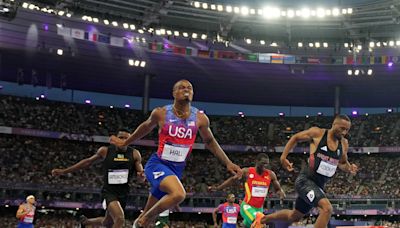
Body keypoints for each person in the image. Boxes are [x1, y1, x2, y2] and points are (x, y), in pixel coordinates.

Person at [109, 79, 242, 227]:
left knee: (147, 220)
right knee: (178, 194)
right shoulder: (161, 113)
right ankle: (144, 218)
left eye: (189, 88)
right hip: (158, 165)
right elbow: (145, 127)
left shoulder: (200, 118)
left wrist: (228, 162)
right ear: (174, 93)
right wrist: (125, 142)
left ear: (193, 93)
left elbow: (210, 142)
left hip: (176, 169)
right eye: (181, 87)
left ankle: (141, 221)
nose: (186, 89)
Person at [251, 114, 359, 228]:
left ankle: (262, 219)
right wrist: (283, 157)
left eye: (347, 130)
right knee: (327, 209)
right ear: (334, 124)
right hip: (305, 181)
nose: (344, 132)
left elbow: (342, 163)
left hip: (318, 186)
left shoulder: (344, 143)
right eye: (342, 128)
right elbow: (295, 137)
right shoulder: (318, 133)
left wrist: (349, 168)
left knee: (294, 216)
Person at [51, 129, 144, 228]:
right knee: (120, 219)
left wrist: (141, 177)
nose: (124, 140)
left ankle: (85, 222)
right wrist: (64, 171)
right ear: (116, 138)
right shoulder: (105, 151)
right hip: (109, 191)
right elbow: (87, 162)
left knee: (108, 223)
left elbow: (141, 178)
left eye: (127, 138)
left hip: (124, 192)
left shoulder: (135, 154)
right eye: (121, 137)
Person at [212, 153, 286, 228]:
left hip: (259, 209)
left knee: (248, 225)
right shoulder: (247, 172)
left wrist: (281, 192)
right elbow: (233, 180)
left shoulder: (270, 174)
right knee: (260, 223)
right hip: (247, 206)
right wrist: (219, 188)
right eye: (263, 163)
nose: (265, 166)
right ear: (257, 161)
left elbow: (278, 189)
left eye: (267, 164)